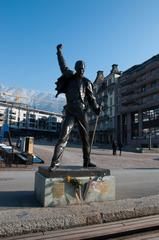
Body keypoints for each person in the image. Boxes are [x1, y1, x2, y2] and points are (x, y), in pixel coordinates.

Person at [49, 44, 101, 170]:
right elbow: (62, 65)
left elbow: (91, 98)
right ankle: (55, 163)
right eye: (80, 67)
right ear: (76, 68)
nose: (81, 70)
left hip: (82, 111)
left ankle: (87, 161)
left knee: (85, 138)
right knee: (63, 136)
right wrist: (59, 52)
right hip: (71, 110)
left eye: (83, 68)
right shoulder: (70, 76)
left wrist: (96, 108)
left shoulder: (87, 82)